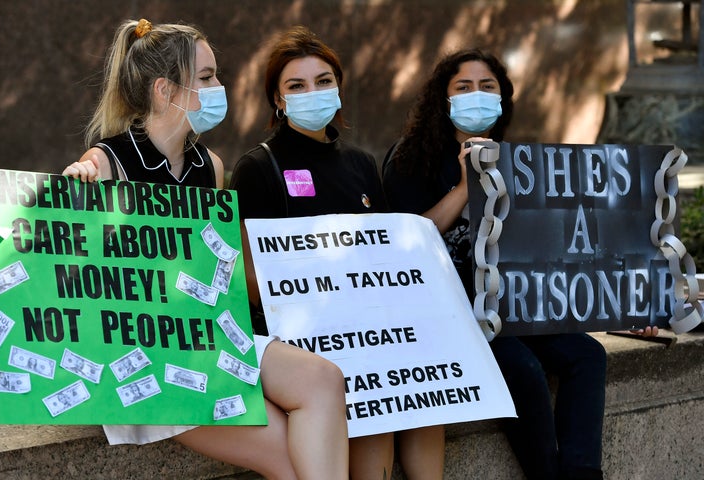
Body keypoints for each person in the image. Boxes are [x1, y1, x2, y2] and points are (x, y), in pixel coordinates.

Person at [62, 18, 348, 480]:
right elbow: (74, 275)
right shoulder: (105, 161)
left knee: (324, 379)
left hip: (204, 338)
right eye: (208, 77)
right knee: (288, 457)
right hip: (145, 357)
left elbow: (213, 269)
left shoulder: (210, 166)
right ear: (165, 91)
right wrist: (75, 196)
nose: (221, 87)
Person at [381, 48, 658, 480]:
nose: (477, 95)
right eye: (464, 87)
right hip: (451, 310)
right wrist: (466, 182)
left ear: (502, 98)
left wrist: (624, 304)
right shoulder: (408, 159)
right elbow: (407, 241)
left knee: (587, 354)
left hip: (515, 306)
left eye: (487, 87)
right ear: (444, 99)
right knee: (523, 369)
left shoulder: (519, 163)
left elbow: (560, 250)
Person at [229, 25, 443, 480]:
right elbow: (246, 274)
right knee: (362, 391)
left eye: (323, 81)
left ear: (339, 88)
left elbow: (386, 258)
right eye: (297, 85)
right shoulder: (257, 167)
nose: (313, 92)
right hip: (302, 338)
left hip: (368, 329)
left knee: (423, 386)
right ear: (278, 99)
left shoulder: (362, 165)